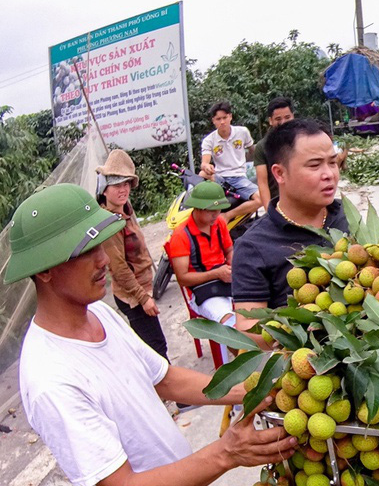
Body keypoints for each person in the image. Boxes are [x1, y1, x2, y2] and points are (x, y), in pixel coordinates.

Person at [5, 183, 299, 486]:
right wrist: (227, 453)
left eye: (101, 244)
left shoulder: (99, 316)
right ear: (44, 271)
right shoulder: (52, 380)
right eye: (86, 252)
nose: (104, 260)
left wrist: (247, 389)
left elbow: (163, 378)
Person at [232, 119, 349, 339]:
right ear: (279, 174)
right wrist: (307, 328)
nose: (329, 174)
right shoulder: (253, 247)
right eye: (314, 165)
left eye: (332, 163)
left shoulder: (344, 214)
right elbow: (246, 327)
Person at [95, 149, 168, 360]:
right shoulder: (110, 223)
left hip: (142, 287)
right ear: (104, 189)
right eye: (117, 185)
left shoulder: (125, 208)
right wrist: (143, 298)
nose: (123, 189)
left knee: (152, 346)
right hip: (131, 296)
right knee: (156, 350)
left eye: (126, 183)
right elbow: (118, 268)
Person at [167, 181, 236, 364]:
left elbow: (229, 251)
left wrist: (234, 268)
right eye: (211, 211)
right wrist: (216, 274)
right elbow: (182, 279)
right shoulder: (181, 236)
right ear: (197, 208)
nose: (216, 214)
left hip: (224, 278)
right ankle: (241, 364)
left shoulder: (219, 223)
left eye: (219, 210)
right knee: (229, 322)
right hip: (201, 289)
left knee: (258, 303)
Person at [200, 101, 261, 224]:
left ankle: (227, 216)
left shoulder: (242, 132)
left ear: (230, 117)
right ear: (213, 121)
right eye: (218, 119)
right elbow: (204, 163)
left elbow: (253, 150)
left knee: (260, 199)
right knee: (202, 174)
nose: (222, 122)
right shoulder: (209, 140)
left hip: (239, 177)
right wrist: (207, 166)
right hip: (219, 177)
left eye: (224, 117)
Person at [253, 97, 295, 213]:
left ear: (293, 116)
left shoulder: (303, 141)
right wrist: (269, 212)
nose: (283, 122)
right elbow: (262, 183)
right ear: (270, 120)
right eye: (278, 119)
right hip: (278, 204)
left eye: (287, 117)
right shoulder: (262, 147)